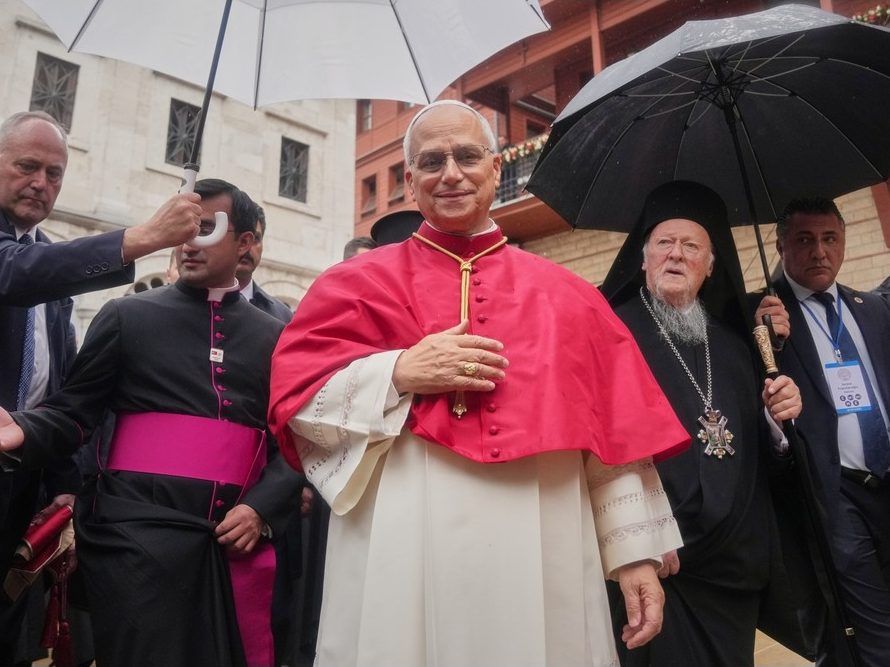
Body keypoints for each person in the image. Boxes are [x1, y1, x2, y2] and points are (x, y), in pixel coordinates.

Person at [267, 100, 692, 667]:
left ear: (495, 168)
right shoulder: (353, 284)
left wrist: (635, 558)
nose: (450, 173)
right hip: (405, 541)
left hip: (542, 541)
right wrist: (398, 371)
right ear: (410, 180)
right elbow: (298, 404)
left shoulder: (571, 297)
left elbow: (614, 442)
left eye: (467, 156)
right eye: (431, 161)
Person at [0, 178, 302, 667]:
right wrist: (24, 429)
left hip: (233, 539)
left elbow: (296, 438)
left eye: (205, 228)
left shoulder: (279, 335)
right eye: (182, 227)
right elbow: (73, 416)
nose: (188, 241)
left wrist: (263, 509)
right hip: (135, 542)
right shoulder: (125, 316)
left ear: (245, 241)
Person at [0, 110, 201, 662]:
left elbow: (63, 390)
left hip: (23, 484)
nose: (41, 183)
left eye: (55, 173)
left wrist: (64, 485)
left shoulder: (54, 262)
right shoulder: (37, 262)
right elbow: (16, 273)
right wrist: (144, 238)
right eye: (27, 167)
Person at [601, 180, 803, 666]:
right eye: (664, 244)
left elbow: (760, 455)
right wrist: (640, 537)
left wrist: (779, 423)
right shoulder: (612, 333)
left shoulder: (735, 346)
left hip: (732, 569)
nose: (675, 255)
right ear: (643, 259)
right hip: (661, 563)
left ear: (710, 266)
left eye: (691, 246)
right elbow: (602, 448)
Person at [755, 197, 890, 666]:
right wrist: (766, 345)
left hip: (886, 479)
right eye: (804, 240)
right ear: (780, 245)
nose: (819, 252)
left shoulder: (871, 309)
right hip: (835, 497)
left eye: (830, 238)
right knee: (874, 635)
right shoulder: (763, 319)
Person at [238, 205, 292, 323]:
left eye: (255, 238)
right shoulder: (195, 302)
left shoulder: (283, 316)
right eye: (242, 238)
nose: (248, 247)